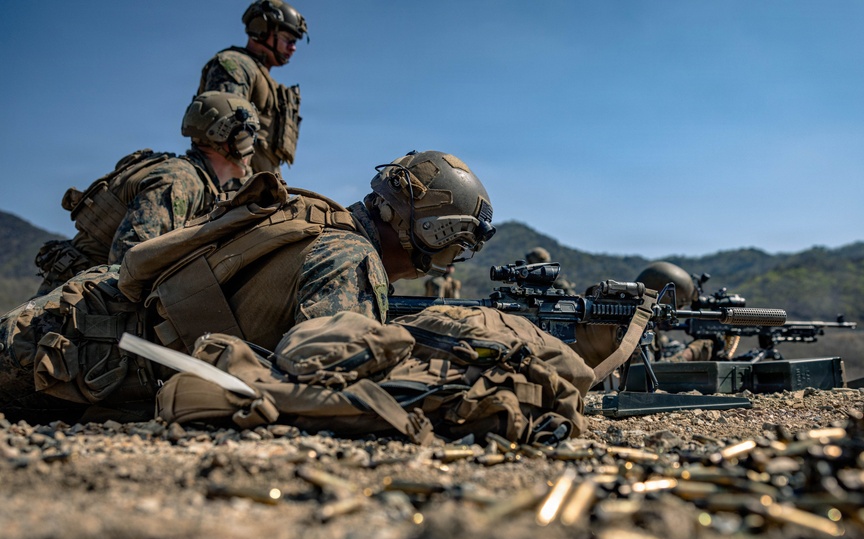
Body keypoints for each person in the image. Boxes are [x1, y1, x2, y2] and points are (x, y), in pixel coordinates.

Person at [0, 150, 494, 424]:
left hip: (71, 327)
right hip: (68, 351)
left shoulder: (315, 223)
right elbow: (331, 384)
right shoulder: (349, 255)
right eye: (458, 243)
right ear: (431, 231)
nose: (451, 258)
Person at [33, 91, 260, 296]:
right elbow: (129, 263)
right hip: (78, 304)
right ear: (226, 136)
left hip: (82, 295)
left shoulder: (191, 179)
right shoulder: (180, 181)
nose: (253, 145)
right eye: (249, 135)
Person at [198, 0, 307, 176]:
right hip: (236, 187)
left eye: (294, 42)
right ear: (261, 29)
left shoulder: (263, 79)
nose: (293, 48)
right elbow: (222, 138)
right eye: (288, 39)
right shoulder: (236, 65)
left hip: (260, 188)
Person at [634, 261, 715, 362]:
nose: (680, 311)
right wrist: (691, 353)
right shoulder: (636, 330)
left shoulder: (649, 328)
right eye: (679, 306)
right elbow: (647, 373)